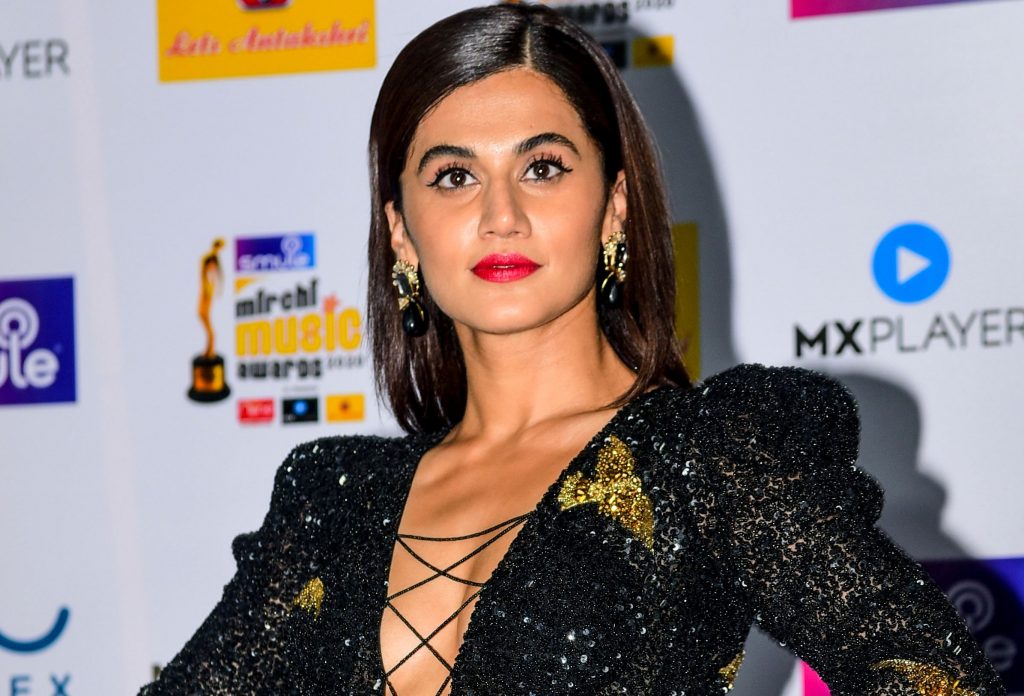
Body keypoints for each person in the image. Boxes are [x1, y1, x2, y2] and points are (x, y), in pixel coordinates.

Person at [139, 5, 1005, 695]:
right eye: (454, 176)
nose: (500, 214)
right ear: (401, 232)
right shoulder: (331, 504)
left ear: (615, 206)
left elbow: (933, 676)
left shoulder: (709, 457)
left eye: (543, 167)